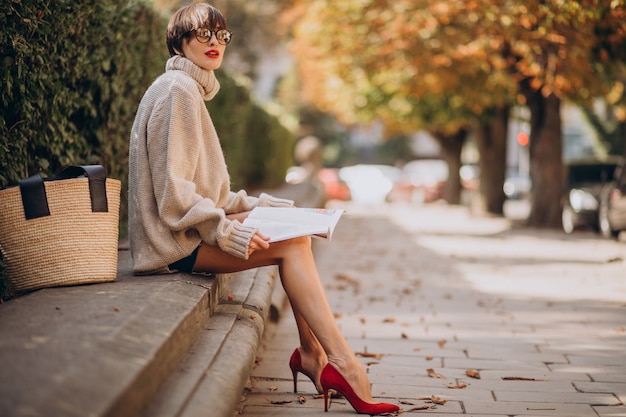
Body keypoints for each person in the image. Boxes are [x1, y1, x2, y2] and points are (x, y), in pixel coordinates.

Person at [128, 3, 399, 415]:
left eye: (222, 35)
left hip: (184, 234)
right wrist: (225, 231)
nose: (216, 42)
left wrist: (264, 207)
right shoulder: (176, 93)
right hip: (172, 246)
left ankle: (312, 355)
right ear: (180, 40)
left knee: (296, 234)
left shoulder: (186, 91)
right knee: (292, 246)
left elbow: (210, 192)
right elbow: (174, 196)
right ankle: (342, 363)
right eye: (204, 34)